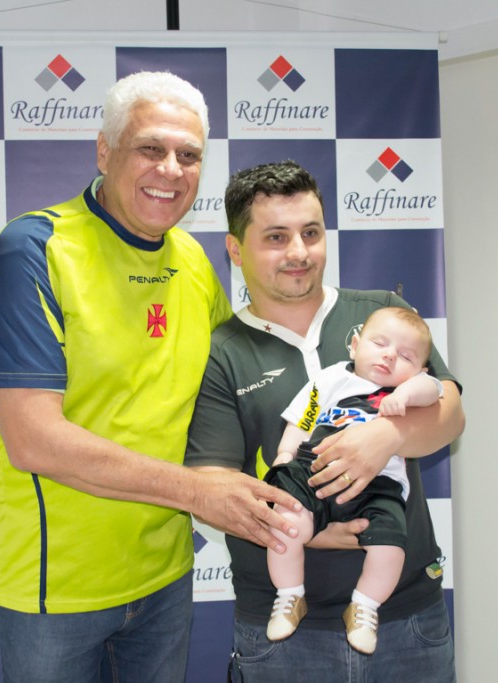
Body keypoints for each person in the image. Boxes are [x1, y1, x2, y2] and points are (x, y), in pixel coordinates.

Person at [0, 73, 301, 683]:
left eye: (189, 155)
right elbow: (33, 440)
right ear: (105, 151)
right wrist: (200, 494)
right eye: (151, 148)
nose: (171, 170)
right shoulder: (36, 247)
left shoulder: (193, 260)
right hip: (57, 590)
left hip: (166, 579)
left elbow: (237, 397)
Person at [186, 160, 465, 682]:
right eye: (276, 237)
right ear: (235, 249)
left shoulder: (382, 316)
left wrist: (386, 435)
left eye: (311, 233)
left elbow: (450, 415)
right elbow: (211, 485)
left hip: (407, 618)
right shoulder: (222, 350)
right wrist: (303, 530)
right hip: (282, 633)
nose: (299, 252)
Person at [266, 306, 443, 655]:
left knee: (390, 547)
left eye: (406, 356)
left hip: (379, 487)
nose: (389, 355)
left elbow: (432, 388)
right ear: (355, 345)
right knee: (285, 525)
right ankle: (290, 596)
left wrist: (404, 395)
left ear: (418, 369)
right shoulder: (332, 378)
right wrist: (286, 454)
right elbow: (304, 419)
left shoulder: (409, 388)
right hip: (316, 469)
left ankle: (364, 606)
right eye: (380, 343)